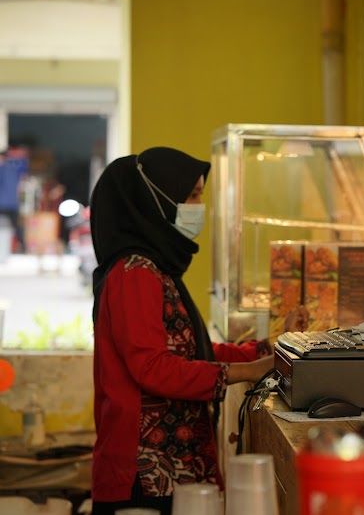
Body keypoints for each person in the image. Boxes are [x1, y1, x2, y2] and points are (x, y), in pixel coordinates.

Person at [90, 147, 274, 514]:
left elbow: (190, 351)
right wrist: (243, 373)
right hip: (146, 473)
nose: (198, 205)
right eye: (192, 196)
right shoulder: (135, 274)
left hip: (174, 467)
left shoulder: (158, 269)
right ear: (159, 202)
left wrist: (263, 352)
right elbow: (153, 367)